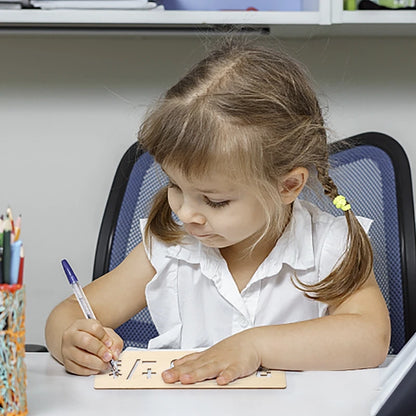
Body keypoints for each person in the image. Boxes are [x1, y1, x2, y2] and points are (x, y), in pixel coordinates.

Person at [45, 40, 390, 385]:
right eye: (176, 187)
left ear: (287, 187)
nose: (187, 213)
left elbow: (370, 337)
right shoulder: (168, 246)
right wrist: (72, 342)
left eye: (215, 201)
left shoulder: (329, 246)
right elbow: (68, 313)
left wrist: (254, 346)